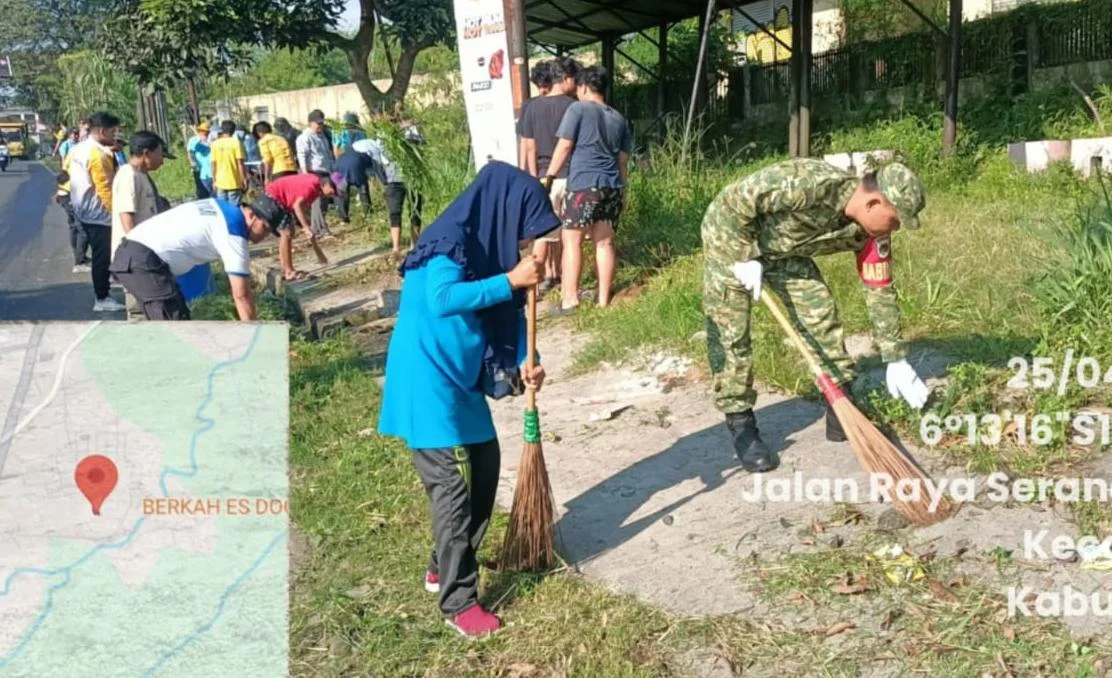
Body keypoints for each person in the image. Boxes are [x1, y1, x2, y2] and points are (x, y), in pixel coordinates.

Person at [377, 162, 558, 638]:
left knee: (484, 469)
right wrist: (511, 280)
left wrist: (528, 358)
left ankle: (442, 564)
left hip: (458, 384)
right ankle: (458, 601)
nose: (521, 245)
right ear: (501, 214)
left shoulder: (490, 255)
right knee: (455, 492)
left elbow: (511, 319)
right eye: (521, 232)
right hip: (426, 383)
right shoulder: (448, 241)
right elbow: (441, 298)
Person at [701, 159, 931, 473]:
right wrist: (743, 255)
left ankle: (841, 408)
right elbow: (735, 202)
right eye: (894, 219)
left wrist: (894, 356)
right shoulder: (810, 184)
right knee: (732, 333)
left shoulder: (870, 234)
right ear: (874, 201)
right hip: (731, 238)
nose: (896, 227)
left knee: (820, 316)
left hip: (785, 254)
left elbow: (879, 290)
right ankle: (741, 425)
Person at [110, 196, 283, 321]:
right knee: (175, 328)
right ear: (251, 215)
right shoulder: (233, 231)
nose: (265, 236)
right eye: (265, 228)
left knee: (170, 324)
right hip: (144, 261)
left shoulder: (219, 205)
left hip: (135, 253)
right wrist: (255, 339)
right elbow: (241, 295)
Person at [543, 66, 629, 315]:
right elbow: (623, 161)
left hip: (583, 185)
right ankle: (603, 300)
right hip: (611, 185)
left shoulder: (577, 109)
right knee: (604, 243)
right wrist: (623, 191)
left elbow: (565, 145)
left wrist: (549, 177)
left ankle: (570, 300)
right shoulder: (619, 118)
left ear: (582, 87)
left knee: (572, 241)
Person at [521, 58, 578, 293]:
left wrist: (534, 180)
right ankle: (567, 282)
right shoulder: (573, 106)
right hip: (572, 175)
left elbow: (529, 147)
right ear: (565, 78)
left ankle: (535, 281)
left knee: (543, 234)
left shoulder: (531, 107)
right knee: (570, 235)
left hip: (544, 177)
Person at [69, 111, 125, 312]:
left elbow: (67, 168)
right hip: (99, 212)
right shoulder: (98, 155)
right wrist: (118, 212)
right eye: (112, 131)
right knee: (102, 256)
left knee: (100, 253)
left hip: (81, 207)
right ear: (101, 131)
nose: (114, 135)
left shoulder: (79, 149)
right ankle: (102, 298)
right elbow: (104, 187)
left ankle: (106, 286)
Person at [111, 131, 169, 320]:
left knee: (151, 307)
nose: (162, 161)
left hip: (144, 255)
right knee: (138, 311)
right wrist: (138, 255)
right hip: (134, 260)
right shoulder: (128, 175)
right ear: (146, 153)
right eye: (160, 154)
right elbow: (126, 218)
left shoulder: (141, 175)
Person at [355, 123, 424, 254]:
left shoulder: (413, 128)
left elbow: (421, 145)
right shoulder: (384, 133)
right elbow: (381, 155)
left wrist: (410, 137)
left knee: (415, 211)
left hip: (413, 177)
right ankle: (396, 248)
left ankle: (414, 244)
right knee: (394, 212)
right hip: (393, 179)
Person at [264, 172, 337, 281]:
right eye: (331, 192)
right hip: (275, 198)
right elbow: (297, 206)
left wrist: (307, 225)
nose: (332, 195)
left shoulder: (316, 185)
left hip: (280, 198)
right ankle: (288, 271)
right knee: (287, 233)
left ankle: (286, 269)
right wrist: (306, 228)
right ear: (326, 185)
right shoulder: (312, 187)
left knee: (288, 232)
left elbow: (301, 205)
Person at [296, 110, 335, 239]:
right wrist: (306, 174)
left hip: (325, 171)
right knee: (317, 202)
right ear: (310, 123)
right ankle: (322, 230)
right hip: (313, 172)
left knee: (324, 201)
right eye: (317, 123)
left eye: (321, 123)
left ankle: (317, 228)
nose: (320, 126)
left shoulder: (322, 136)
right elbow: (302, 156)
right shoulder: (305, 137)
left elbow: (327, 154)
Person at [55, 144, 89, 272]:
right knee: (82, 230)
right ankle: (79, 262)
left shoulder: (73, 152)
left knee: (74, 227)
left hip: (66, 193)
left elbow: (63, 173)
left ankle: (80, 257)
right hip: (71, 194)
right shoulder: (80, 152)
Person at [332, 144, 376, 223]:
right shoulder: (361, 153)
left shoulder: (342, 156)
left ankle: (344, 217)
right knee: (363, 192)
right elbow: (370, 165)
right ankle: (368, 213)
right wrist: (372, 176)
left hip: (340, 173)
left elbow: (335, 168)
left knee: (343, 195)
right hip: (356, 172)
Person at [211, 120, 247, 204]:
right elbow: (240, 163)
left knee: (223, 207)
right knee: (234, 207)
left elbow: (213, 164)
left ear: (222, 130)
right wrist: (243, 178)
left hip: (220, 181)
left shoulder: (215, 144)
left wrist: (214, 180)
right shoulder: (236, 143)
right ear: (233, 131)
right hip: (234, 181)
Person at [255, 121, 297, 185]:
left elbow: (267, 160)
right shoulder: (281, 138)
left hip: (280, 171)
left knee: (279, 194)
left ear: (259, 133)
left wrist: (266, 178)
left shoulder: (263, 141)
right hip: (293, 170)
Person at [188, 122, 213, 199]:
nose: (206, 133)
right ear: (200, 131)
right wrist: (192, 163)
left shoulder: (210, 140)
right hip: (201, 171)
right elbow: (190, 151)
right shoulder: (194, 140)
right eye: (204, 131)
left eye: (207, 131)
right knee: (203, 194)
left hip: (213, 171)